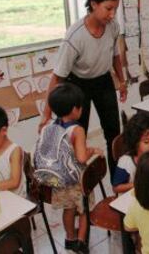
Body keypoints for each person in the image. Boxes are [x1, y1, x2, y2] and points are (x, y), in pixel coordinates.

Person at [39, 0, 126, 182]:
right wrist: (46, 114)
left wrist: (121, 81)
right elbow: (57, 77)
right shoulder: (75, 36)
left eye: (115, 9)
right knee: (79, 135)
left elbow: (115, 55)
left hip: (103, 81)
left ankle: (118, 181)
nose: (112, 14)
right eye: (108, 8)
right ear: (94, 4)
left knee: (114, 133)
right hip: (78, 86)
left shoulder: (113, 27)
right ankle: (79, 185)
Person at [40, 83, 103, 254]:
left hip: (59, 178)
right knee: (83, 209)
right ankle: (81, 241)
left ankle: (69, 238)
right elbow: (81, 158)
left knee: (69, 209)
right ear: (75, 109)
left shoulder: (49, 126)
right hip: (76, 180)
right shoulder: (77, 130)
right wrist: (93, 150)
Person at [112, 112, 149, 194]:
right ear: (135, 142)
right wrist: (139, 184)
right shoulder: (125, 163)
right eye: (146, 142)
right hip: (128, 201)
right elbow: (116, 188)